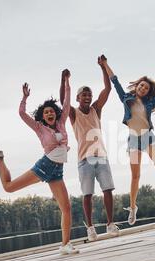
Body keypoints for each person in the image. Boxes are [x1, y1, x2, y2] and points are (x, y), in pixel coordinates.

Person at [0, 76, 79, 255]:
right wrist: (25, 98)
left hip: (57, 171)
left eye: (52, 111)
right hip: (45, 166)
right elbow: (21, 114)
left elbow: (66, 102)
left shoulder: (61, 122)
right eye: (46, 112)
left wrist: (66, 81)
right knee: (9, 188)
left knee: (66, 208)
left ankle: (65, 245)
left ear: (55, 113)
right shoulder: (39, 128)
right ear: (42, 116)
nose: (50, 114)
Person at [100, 58, 155, 226]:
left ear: (148, 91)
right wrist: (105, 65)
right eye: (141, 85)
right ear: (137, 86)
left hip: (148, 137)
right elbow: (114, 80)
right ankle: (133, 207)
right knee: (136, 176)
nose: (143, 88)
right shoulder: (126, 98)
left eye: (146, 87)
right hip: (133, 139)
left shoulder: (150, 102)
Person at [59, 56, 119, 242]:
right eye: (83, 95)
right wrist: (64, 80)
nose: (87, 97)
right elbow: (63, 100)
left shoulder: (96, 110)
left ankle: (110, 224)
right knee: (87, 194)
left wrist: (103, 67)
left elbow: (108, 89)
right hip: (84, 159)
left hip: (101, 157)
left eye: (89, 94)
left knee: (108, 190)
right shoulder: (74, 113)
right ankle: (91, 228)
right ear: (77, 98)